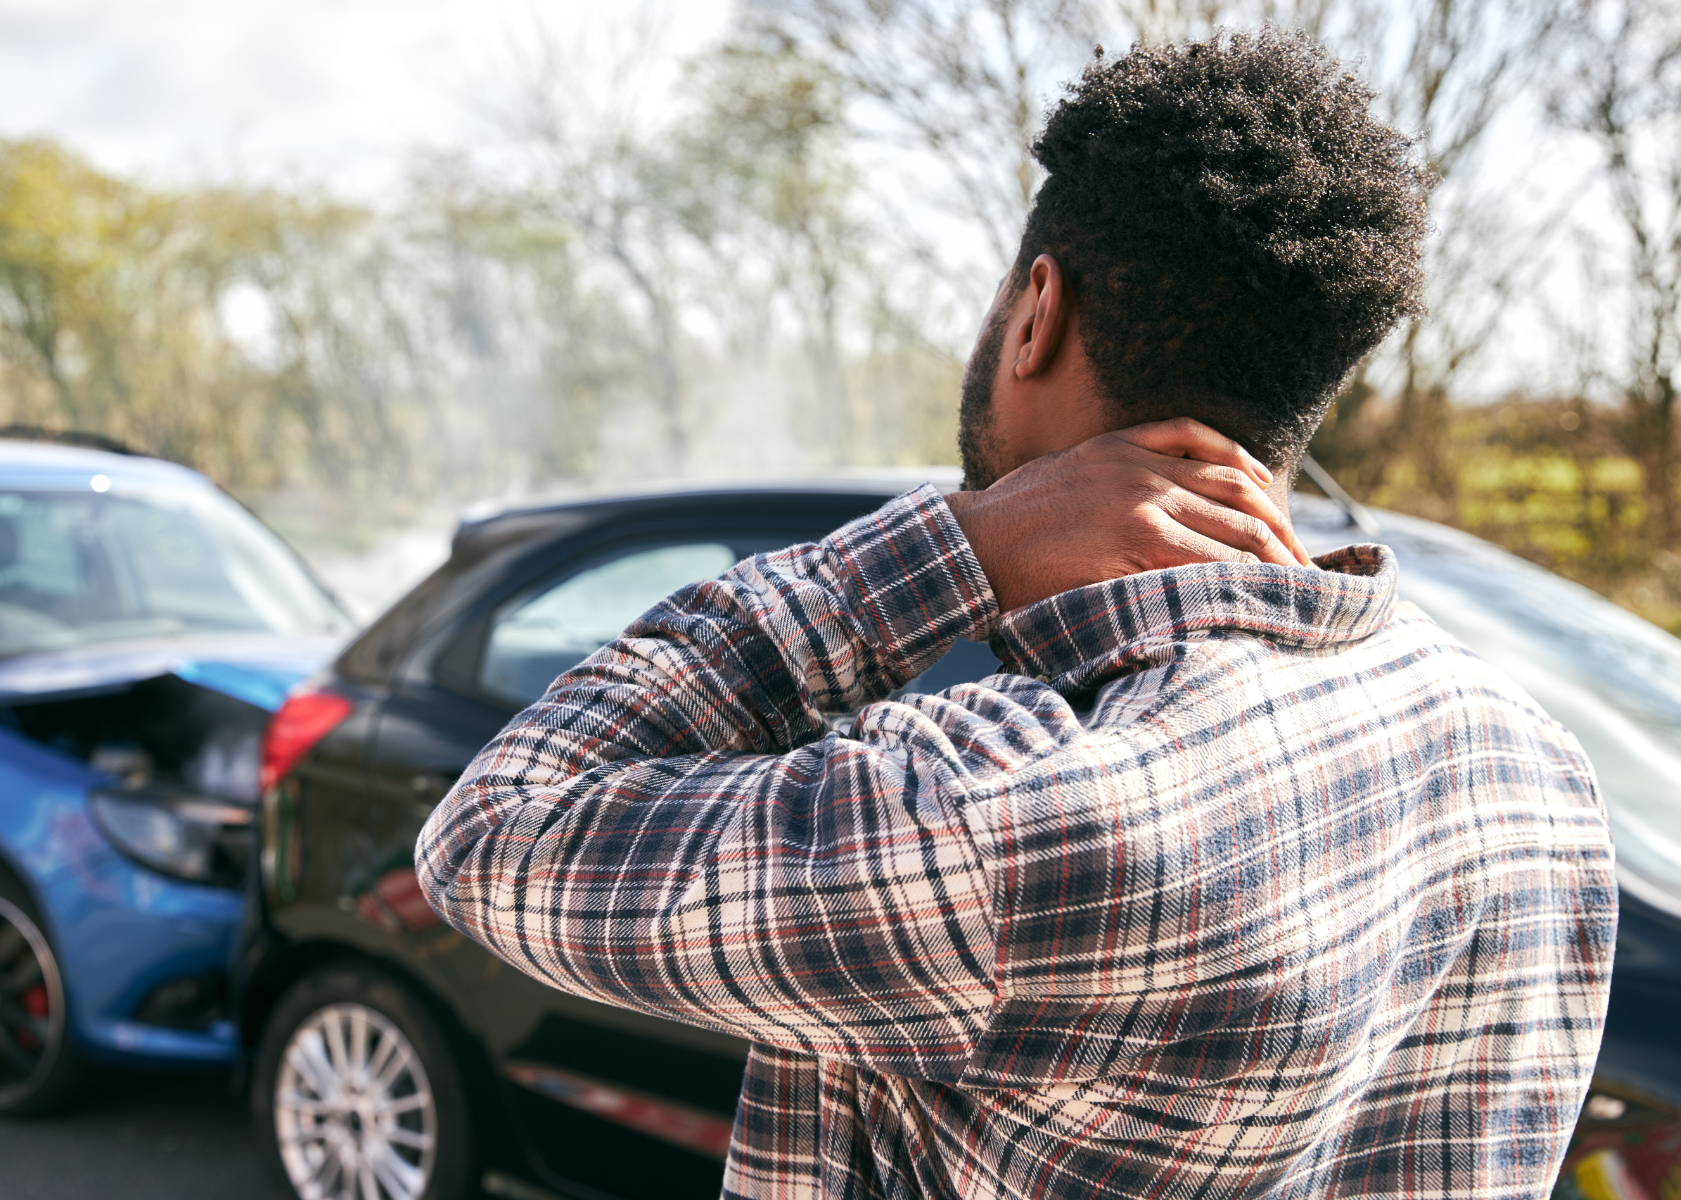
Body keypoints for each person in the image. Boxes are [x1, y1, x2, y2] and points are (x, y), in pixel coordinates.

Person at [416, 29, 1615, 1200]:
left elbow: (494, 833)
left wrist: (957, 546)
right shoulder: (1531, 767)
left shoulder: (995, 812)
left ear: (1035, 310)